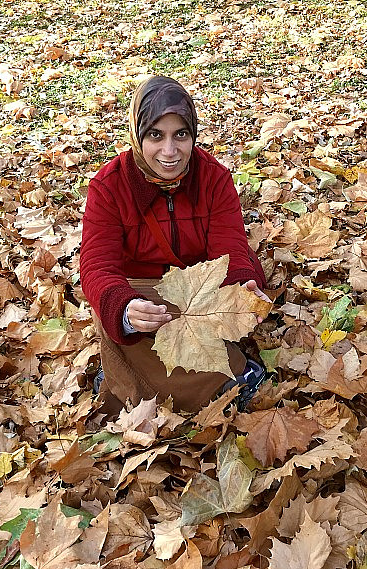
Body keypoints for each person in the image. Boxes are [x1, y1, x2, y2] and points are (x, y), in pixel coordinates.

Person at [79, 75, 268, 415]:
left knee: (198, 319)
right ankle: (228, 380)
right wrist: (125, 308)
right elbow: (97, 266)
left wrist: (242, 288)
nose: (169, 152)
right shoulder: (109, 187)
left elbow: (230, 250)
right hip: (143, 295)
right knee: (109, 311)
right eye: (156, 135)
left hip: (198, 292)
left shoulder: (213, 178)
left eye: (181, 135)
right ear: (137, 134)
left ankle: (123, 379)